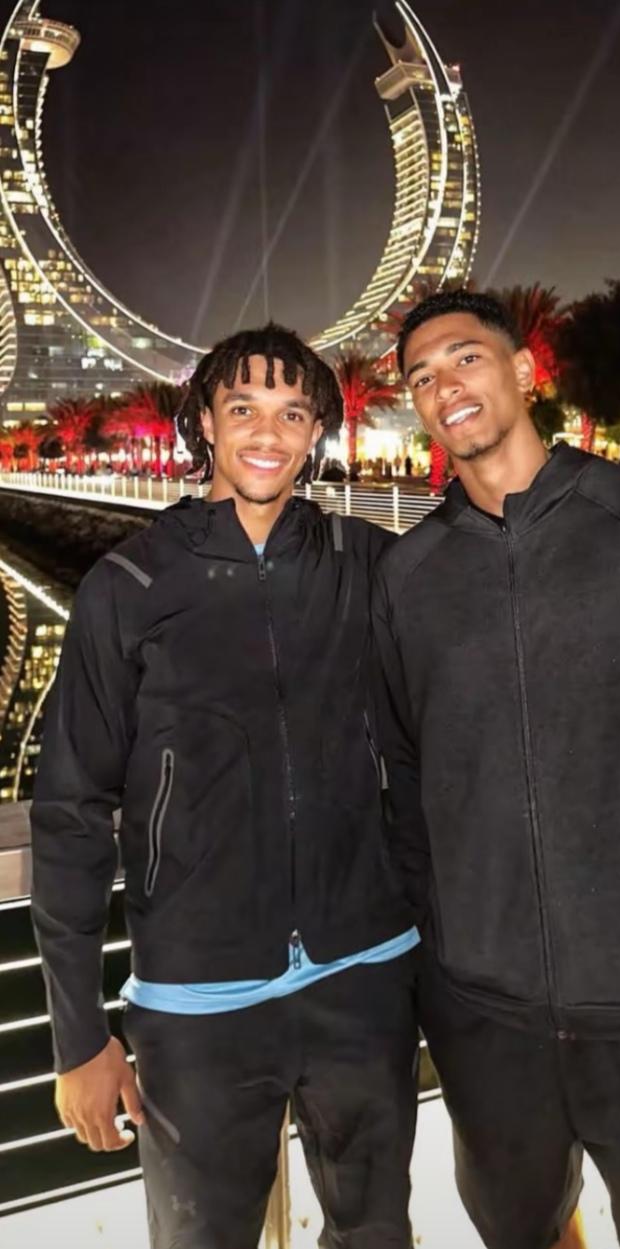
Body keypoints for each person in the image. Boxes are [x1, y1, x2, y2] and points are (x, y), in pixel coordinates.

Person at [31, 323, 419, 1249]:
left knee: (375, 1233)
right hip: (196, 1002)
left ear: (316, 430)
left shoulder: (367, 563)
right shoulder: (128, 584)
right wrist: (78, 1034)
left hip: (366, 975)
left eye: (292, 412)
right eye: (243, 407)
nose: (267, 433)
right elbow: (72, 812)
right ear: (204, 421)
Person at [372, 288, 620, 1249]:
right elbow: (406, 786)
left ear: (525, 370)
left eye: (466, 357)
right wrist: (445, 968)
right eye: (423, 377)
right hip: (489, 1014)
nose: (445, 385)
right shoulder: (407, 578)